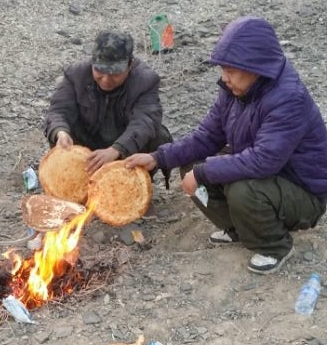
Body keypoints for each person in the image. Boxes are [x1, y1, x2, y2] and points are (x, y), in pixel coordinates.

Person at [126, 16, 327, 274]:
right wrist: (158, 157)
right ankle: (239, 229)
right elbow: (206, 137)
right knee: (189, 164)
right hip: (270, 175)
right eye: (223, 70)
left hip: (303, 192)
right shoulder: (235, 91)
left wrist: (203, 172)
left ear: (256, 67)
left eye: (231, 71)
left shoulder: (288, 99)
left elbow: (263, 161)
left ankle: (274, 245)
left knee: (242, 190)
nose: (225, 78)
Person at [44, 30, 172, 180]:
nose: (106, 79)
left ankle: (133, 183)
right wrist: (61, 132)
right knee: (58, 131)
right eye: (100, 70)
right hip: (87, 146)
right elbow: (58, 111)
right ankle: (74, 181)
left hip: (125, 150)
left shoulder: (146, 81)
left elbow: (145, 121)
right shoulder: (75, 75)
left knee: (158, 135)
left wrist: (117, 149)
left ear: (130, 65)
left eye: (115, 73)